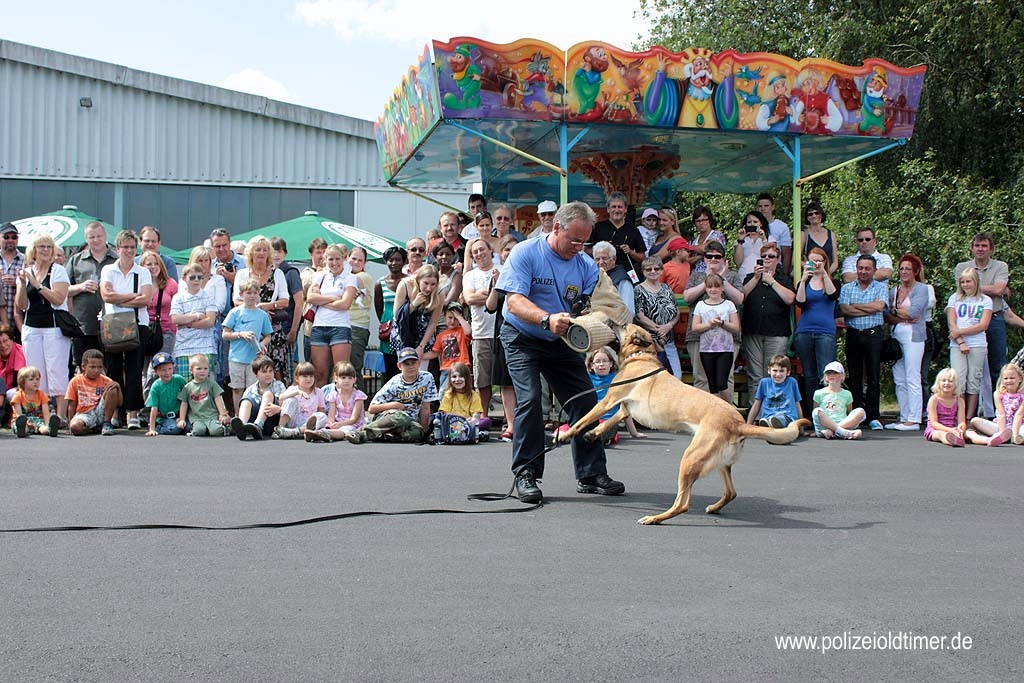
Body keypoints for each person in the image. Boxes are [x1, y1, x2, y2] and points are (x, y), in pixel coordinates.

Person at [495, 200, 626, 503]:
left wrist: (617, 329)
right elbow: (513, 302)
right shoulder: (526, 252)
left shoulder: (585, 265)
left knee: (585, 401)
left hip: (561, 339)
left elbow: (609, 305)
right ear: (556, 227)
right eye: (574, 240)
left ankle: (591, 473)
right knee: (529, 399)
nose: (580, 247)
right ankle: (526, 474)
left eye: (585, 241)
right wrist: (546, 318)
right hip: (522, 335)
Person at [16, 234, 73, 427]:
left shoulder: (58, 271)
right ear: (34, 250)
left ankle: (61, 416)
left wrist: (38, 285)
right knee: (35, 371)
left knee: (56, 370)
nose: (45, 250)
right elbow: (21, 305)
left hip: (54, 327)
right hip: (32, 327)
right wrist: (23, 285)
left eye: (49, 247)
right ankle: (41, 413)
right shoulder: (26, 271)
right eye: (41, 247)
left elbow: (58, 299)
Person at [99, 229, 153, 430]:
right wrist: (131, 297)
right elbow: (106, 296)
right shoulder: (108, 270)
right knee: (113, 368)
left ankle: (132, 414)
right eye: (125, 247)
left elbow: (146, 299)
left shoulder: (143, 272)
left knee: (134, 369)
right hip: (113, 323)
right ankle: (113, 413)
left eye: (132, 247)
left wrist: (119, 297)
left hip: (138, 324)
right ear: (118, 248)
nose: (129, 251)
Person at [954, 232, 1010, 401]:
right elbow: (963, 290)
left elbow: (999, 289)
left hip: (994, 319)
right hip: (968, 320)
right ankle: (968, 412)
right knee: (967, 370)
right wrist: (993, 289)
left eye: (984, 245)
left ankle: (1002, 408)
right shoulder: (962, 267)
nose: (980, 249)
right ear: (972, 248)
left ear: (991, 249)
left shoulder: (1000, 266)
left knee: (998, 366)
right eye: (977, 245)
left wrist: (976, 287)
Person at [683, 241, 744, 393]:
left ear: (723, 259)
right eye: (709, 256)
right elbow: (687, 297)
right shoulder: (696, 276)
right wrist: (709, 281)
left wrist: (721, 279)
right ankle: (703, 416)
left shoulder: (732, 276)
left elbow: (739, 299)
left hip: (728, 336)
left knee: (726, 379)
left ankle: (726, 415)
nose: (713, 259)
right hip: (698, 336)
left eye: (717, 256)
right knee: (701, 378)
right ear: (704, 258)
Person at [343, 347, 437, 444]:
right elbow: (371, 408)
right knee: (401, 416)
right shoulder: (394, 383)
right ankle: (361, 433)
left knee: (418, 432)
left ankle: (386, 436)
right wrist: (395, 405)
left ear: (419, 363)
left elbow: (425, 408)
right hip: (389, 416)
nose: (410, 367)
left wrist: (424, 434)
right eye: (406, 364)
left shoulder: (427, 378)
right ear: (399, 366)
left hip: (409, 422)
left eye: (413, 363)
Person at [741, 241, 795, 404]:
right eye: (763, 256)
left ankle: (773, 411)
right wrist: (757, 278)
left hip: (776, 333)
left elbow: (790, 299)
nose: (767, 259)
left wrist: (771, 281)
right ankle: (755, 414)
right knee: (755, 375)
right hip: (753, 331)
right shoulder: (751, 277)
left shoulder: (783, 279)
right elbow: (740, 297)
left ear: (778, 259)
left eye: (771, 256)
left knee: (774, 374)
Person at [838, 254, 888, 430]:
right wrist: (869, 308)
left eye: (867, 268)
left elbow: (880, 307)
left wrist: (856, 306)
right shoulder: (847, 288)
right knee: (855, 376)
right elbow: (845, 309)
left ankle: (873, 415)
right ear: (856, 269)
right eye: (860, 268)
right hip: (853, 335)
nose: (863, 271)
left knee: (873, 376)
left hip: (873, 335)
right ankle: (857, 413)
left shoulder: (881, 287)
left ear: (874, 270)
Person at [233, 236, 290, 381]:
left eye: (265, 250)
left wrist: (269, 306)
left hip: (273, 330)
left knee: (275, 372)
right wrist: (256, 309)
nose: (261, 253)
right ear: (251, 252)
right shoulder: (242, 274)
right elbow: (236, 301)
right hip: (249, 329)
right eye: (258, 249)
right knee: (252, 372)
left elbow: (285, 301)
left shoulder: (278, 274)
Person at [884, 254, 929, 430]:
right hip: (897, 334)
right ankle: (903, 416)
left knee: (913, 375)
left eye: (908, 269)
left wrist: (899, 313)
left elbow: (915, 312)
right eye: (901, 269)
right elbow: (886, 314)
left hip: (914, 335)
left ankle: (915, 418)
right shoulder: (894, 291)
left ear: (915, 271)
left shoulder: (922, 289)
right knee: (899, 378)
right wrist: (899, 313)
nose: (904, 272)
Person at [792, 247, 838, 414]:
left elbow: (833, 295)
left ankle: (830, 412)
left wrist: (824, 274)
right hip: (804, 331)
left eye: (819, 260)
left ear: (825, 261)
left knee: (826, 374)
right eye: (812, 261)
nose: (816, 264)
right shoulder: (803, 282)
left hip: (825, 332)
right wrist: (804, 280)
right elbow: (800, 302)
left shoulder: (832, 281)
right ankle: (813, 414)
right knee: (809, 375)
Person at [306, 244, 359, 386]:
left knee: (341, 372)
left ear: (344, 259)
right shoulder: (319, 276)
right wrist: (333, 299)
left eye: (337, 259)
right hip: (319, 327)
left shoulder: (350, 278)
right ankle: (321, 406)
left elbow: (345, 304)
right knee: (319, 373)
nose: (334, 263)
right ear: (325, 260)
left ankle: (342, 406)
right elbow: (310, 297)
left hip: (340, 327)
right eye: (330, 259)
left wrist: (322, 301)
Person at [945, 267, 992, 420]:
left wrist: (961, 332)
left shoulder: (985, 300)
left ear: (975, 282)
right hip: (958, 345)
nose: (965, 285)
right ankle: (959, 417)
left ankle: (970, 417)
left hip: (977, 344)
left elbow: (983, 325)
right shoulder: (955, 298)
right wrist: (960, 340)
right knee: (958, 380)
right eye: (963, 282)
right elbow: (952, 324)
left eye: (968, 281)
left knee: (974, 380)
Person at [485, 236, 519, 442]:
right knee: (506, 383)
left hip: (524, 333)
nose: (509, 253)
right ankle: (511, 424)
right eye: (506, 250)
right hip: (502, 332)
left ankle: (525, 424)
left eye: (513, 249)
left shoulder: (528, 271)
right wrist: (497, 285)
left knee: (524, 381)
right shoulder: (499, 274)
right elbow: (490, 307)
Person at [223, 278, 274, 409]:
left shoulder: (262, 315)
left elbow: (268, 335)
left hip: (254, 359)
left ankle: (251, 417)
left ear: (259, 294)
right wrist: (240, 334)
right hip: (236, 358)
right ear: (241, 294)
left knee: (253, 390)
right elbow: (225, 334)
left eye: (254, 293)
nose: (252, 296)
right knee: (237, 389)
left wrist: (263, 344)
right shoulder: (235, 312)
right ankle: (238, 417)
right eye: (248, 293)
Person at [462, 238, 499, 417]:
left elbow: (505, 299)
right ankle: (483, 417)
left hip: (501, 333)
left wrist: (483, 295)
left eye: (481, 249)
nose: (479, 254)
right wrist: (492, 295)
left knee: (507, 382)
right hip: (480, 333)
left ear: (490, 250)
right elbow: (469, 300)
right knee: (482, 381)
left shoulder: (501, 270)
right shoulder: (469, 276)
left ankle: (510, 421)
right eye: (475, 252)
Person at [690, 273, 740, 402]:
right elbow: (695, 327)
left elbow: (735, 327)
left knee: (722, 383)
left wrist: (722, 323)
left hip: (725, 349)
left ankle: (729, 409)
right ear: (706, 288)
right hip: (707, 349)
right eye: (710, 287)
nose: (713, 290)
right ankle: (716, 412)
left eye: (716, 287)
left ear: (722, 288)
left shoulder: (729, 305)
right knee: (712, 385)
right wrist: (709, 324)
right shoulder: (700, 305)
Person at [169, 263, 219, 380]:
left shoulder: (208, 296)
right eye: (192, 277)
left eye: (199, 277)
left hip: (205, 347)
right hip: (183, 348)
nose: (196, 280)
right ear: (184, 278)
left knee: (207, 386)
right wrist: (197, 316)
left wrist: (187, 323)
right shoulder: (178, 297)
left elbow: (210, 321)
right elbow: (175, 318)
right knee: (184, 387)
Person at [635, 256, 683, 379]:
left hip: (669, 339)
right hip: (650, 342)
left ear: (662, 270)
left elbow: (676, 312)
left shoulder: (667, 288)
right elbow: (640, 316)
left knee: (677, 376)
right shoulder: (638, 289)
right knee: (654, 378)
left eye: (656, 268)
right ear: (643, 271)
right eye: (648, 269)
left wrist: (668, 326)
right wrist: (658, 330)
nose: (653, 271)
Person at [585, 346, 645, 442]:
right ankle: (557, 437)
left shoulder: (617, 379)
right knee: (567, 429)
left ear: (611, 364)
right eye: (597, 361)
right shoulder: (586, 379)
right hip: (590, 419)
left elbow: (625, 407)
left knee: (608, 431)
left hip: (608, 421)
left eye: (605, 361)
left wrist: (634, 433)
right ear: (592, 365)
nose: (601, 364)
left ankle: (601, 438)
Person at [391, 264, 442, 370]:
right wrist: (413, 304)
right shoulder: (405, 285)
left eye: (433, 284)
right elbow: (397, 315)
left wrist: (421, 346)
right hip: (404, 334)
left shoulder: (439, 294)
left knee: (421, 372)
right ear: (419, 280)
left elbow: (433, 322)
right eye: (426, 283)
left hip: (423, 336)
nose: (429, 288)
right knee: (406, 370)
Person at [304, 361, 367, 442]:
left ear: (354, 380)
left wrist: (340, 425)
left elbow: (354, 419)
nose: (347, 381)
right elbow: (331, 415)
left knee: (345, 430)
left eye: (350, 378)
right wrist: (331, 424)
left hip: (353, 424)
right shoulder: (334, 395)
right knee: (321, 417)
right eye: (343, 378)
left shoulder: (358, 396)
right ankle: (313, 430)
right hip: (338, 422)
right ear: (336, 378)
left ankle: (323, 434)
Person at [270, 237, 305, 382]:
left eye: (279, 251)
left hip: (285, 327)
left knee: (287, 370)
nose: (276, 255)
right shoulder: (267, 272)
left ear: (285, 253)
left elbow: (299, 302)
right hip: (268, 328)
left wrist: (293, 330)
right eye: (273, 251)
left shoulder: (290, 273)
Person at [65, 349, 123, 436]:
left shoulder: (106, 380)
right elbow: (72, 404)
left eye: (100, 367)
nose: (96, 370)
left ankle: (106, 423)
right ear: (83, 367)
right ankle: (92, 429)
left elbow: (119, 403)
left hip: (101, 411)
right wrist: (70, 423)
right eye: (92, 367)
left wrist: (118, 387)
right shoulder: (75, 381)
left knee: (112, 387)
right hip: (84, 413)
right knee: (75, 427)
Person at [965, 363, 1024, 446]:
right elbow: (1001, 414)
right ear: (1002, 380)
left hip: (1020, 425)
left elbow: (1019, 414)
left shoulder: (1022, 395)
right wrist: (1002, 432)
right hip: (1000, 425)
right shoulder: (998, 394)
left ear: (1020, 379)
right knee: (975, 421)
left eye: (1012, 378)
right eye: (1006, 378)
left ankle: (1016, 437)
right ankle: (1001, 437)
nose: (1009, 381)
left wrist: (1015, 433)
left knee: (1022, 432)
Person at [592, 191, 646, 279]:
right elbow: (585, 251)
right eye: (613, 207)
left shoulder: (633, 230)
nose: (616, 210)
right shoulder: (597, 228)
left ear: (625, 209)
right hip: (601, 274)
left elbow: (643, 257)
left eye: (620, 207)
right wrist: (602, 248)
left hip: (627, 275)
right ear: (608, 209)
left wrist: (631, 252)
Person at [229, 356, 286, 441]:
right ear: (256, 374)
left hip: (271, 420)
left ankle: (258, 425)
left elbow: (287, 406)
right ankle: (242, 426)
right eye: (264, 372)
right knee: (246, 401)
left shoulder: (279, 385)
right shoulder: (251, 389)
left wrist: (279, 409)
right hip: (253, 420)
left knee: (268, 394)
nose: (268, 374)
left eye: (270, 371)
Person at [423, 301, 471, 395]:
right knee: (444, 394)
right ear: (444, 316)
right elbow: (435, 352)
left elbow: (468, 331)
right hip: (446, 369)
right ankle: (446, 410)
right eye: (450, 317)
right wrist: (421, 356)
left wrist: (460, 317)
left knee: (461, 393)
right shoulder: (441, 335)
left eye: (455, 318)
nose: (452, 321)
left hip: (461, 367)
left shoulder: (462, 331)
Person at [176, 353, 231, 437]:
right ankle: (205, 429)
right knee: (199, 431)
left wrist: (222, 414)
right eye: (199, 369)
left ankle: (230, 428)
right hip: (197, 417)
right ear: (191, 370)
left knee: (216, 431)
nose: (202, 371)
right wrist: (182, 419)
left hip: (211, 416)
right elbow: (184, 404)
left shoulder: (212, 384)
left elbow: (218, 399)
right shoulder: (188, 387)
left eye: (205, 368)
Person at [375, 246, 408, 381]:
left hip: (406, 326)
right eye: (391, 260)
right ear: (386, 262)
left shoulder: (410, 281)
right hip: (388, 328)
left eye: (398, 260)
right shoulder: (380, 283)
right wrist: (386, 323)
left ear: (404, 261)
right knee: (389, 365)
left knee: (406, 361)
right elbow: (378, 308)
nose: (394, 263)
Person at [140, 251, 178, 364]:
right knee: (142, 368)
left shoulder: (171, 284)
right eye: (149, 264)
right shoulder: (138, 284)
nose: (153, 267)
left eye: (156, 264)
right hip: (143, 331)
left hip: (166, 331)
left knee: (160, 366)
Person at [811, 361, 865, 440]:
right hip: (825, 426)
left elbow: (849, 412)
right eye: (829, 373)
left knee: (861, 411)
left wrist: (839, 426)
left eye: (835, 373)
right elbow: (816, 413)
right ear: (825, 376)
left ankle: (837, 430)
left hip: (843, 424)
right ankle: (841, 432)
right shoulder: (818, 393)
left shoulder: (847, 394)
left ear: (842, 376)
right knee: (817, 411)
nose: (831, 375)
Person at [274, 361, 327, 439]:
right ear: (297, 378)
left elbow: (321, 409)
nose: (308, 379)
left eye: (311, 376)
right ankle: (280, 429)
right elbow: (281, 398)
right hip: (294, 419)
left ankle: (295, 432)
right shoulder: (293, 389)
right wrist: (297, 392)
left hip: (308, 423)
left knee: (323, 416)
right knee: (290, 400)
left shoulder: (318, 392)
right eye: (305, 376)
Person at [746, 354, 803, 428]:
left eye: (782, 371)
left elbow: (797, 404)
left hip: (788, 417)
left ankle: (774, 425)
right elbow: (756, 404)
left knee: (781, 419)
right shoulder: (764, 382)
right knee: (767, 419)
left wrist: (801, 427)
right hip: (768, 417)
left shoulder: (792, 382)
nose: (778, 374)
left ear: (788, 372)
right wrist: (748, 425)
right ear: (769, 370)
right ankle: (769, 425)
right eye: (775, 370)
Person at [347, 246, 375, 392]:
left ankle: (359, 405)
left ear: (365, 263)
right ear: (348, 258)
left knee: (353, 368)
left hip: (357, 327)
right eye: (353, 259)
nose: (356, 262)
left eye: (360, 260)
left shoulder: (364, 277)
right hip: (342, 324)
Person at [437, 361, 491, 432]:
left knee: (486, 421)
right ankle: (469, 432)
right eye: (454, 377)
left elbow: (476, 415)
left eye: (461, 376)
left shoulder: (473, 395)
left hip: (468, 423)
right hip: (452, 423)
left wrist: (471, 420)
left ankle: (468, 431)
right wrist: (461, 420)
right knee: (436, 420)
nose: (457, 380)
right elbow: (446, 414)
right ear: (450, 379)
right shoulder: (448, 394)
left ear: (467, 378)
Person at [144, 352, 187, 436]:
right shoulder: (156, 386)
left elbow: (187, 397)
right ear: (156, 371)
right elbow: (154, 408)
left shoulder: (179, 380)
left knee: (187, 427)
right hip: (165, 417)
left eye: (170, 369)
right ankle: (159, 427)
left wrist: (182, 418)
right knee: (175, 429)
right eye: (163, 370)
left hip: (180, 414)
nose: (167, 373)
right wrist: (151, 429)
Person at [10, 366, 60, 437]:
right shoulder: (18, 395)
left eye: (37, 379)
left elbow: (46, 412)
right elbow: (18, 414)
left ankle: (51, 429)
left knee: (43, 428)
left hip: (37, 420)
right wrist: (26, 422)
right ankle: (22, 430)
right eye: (31, 379)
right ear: (22, 382)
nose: (35, 382)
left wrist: (47, 423)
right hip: (23, 421)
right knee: (23, 427)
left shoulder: (42, 395)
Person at [592, 241, 635, 318]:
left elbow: (629, 311)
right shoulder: (596, 277)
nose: (601, 262)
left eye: (605, 258)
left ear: (614, 259)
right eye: (597, 259)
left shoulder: (622, 279)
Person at [924, 367, 966, 447]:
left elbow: (962, 421)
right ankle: (952, 440)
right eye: (944, 380)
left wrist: (961, 429)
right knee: (940, 434)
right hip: (936, 429)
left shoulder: (960, 401)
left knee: (969, 433)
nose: (947, 383)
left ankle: (987, 440)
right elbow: (934, 423)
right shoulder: (934, 399)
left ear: (956, 384)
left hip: (953, 428)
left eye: (950, 381)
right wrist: (949, 430)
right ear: (938, 383)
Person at [755, 193, 793, 274]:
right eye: (760, 206)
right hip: (755, 268)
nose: (763, 209)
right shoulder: (751, 225)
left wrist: (785, 274)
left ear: (773, 207)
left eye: (766, 205)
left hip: (775, 270)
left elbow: (786, 252)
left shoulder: (782, 226)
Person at [800, 201, 837, 274]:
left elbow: (835, 261)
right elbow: (795, 261)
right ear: (807, 218)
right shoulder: (803, 235)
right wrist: (814, 270)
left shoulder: (831, 234)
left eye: (817, 213)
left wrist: (826, 273)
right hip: (810, 276)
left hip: (828, 276)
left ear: (822, 215)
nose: (814, 216)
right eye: (810, 214)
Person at [1, 222, 25, 335]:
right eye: (6, 237)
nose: (10, 240)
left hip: (20, 321)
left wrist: (18, 283)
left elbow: (36, 286)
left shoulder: (26, 260)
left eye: (14, 237)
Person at [0, 324, 26, 428]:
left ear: (12, 339)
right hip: (2, 390)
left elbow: (22, 382)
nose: (3, 345)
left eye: (5, 341)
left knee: (12, 394)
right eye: (0, 343)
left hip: (17, 389)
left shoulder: (20, 352)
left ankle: (17, 419)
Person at [686, 206, 726, 273]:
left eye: (704, 220)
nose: (701, 223)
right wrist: (699, 256)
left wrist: (689, 247)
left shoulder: (717, 235)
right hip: (695, 279)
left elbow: (706, 249)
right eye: (698, 221)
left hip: (714, 277)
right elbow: (686, 260)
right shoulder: (693, 241)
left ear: (709, 220)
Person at [733, 211, 769, 281]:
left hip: (763, 276)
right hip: (744, 276)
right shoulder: (740, 241)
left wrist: (764, 239)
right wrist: (740, 241)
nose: (752, 224)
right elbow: (737, 262)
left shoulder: (769, 238)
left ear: (761, 223)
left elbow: (770, 256)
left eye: (755, 222)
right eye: (749, 222)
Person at [431, 241, 463, 306]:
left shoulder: (456, 276)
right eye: (441, 254)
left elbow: (449, 302)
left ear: (453, 256)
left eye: (448, 254)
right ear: (435, 258)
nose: (444, 257)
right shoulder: (433, 275)